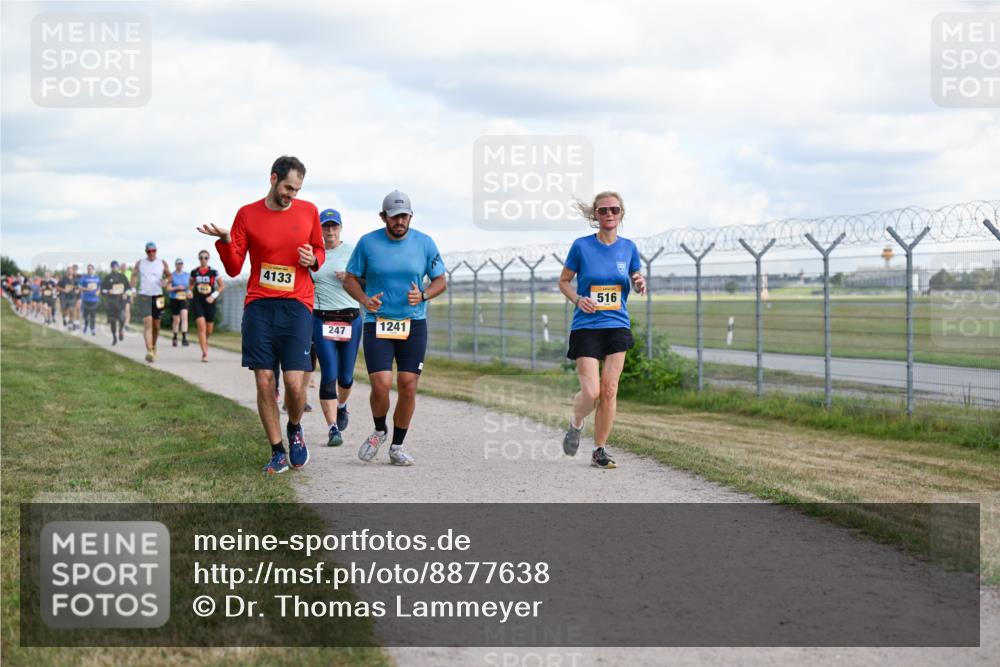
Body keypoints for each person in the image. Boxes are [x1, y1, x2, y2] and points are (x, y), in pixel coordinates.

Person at [197, 155, 324, 475]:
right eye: (287, 187)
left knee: (295, 385)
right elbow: (234, 267)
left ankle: (295, 428)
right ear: (272, 178)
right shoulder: (247, 214)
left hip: (297, 305)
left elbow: (319, 250)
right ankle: (277, 450)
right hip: (259, 307)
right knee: (265, 380)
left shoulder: (309, 211)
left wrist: (313, 258)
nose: (291, 195)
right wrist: (226, 241)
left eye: (296, 189)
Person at [343, 190, 447, 466]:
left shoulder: (425, 243)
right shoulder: (367, 243)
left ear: (411, 216)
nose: (399, 221)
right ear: (383, 217)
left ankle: (397, 446)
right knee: (381, 383)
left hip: (413, 324)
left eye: (404, 216)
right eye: (394, 217)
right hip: (378, 322)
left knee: (408, 385)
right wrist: (365, 299)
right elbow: (350, 279)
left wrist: (424, 295)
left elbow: (440, 280)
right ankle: (379, 429)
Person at [558, 191, 646, 470]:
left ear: (622, 214)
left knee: (609, 390)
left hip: (617, 324)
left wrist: (639, 282)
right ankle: (576, 423)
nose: (609, 215)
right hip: (586, 326)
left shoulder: (629, 247)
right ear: (595, 215)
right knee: (592, 391)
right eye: (603, 210)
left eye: (614, 210)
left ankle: (599, 450)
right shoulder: (581, 246)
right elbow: (564, 281)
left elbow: (633, 275)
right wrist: (578, 299)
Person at [310, 208, 363, 446]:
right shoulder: (313, 253)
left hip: (350, 319)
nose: (330, 230)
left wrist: (352, 279)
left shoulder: (353, 252)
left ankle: (342, 406)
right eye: (325, 226)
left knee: (346, 376)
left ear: (340, 228)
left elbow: (369, 281)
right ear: (319, 229)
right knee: (328, 373)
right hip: (322, 319)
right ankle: (332, 428)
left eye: (334, 226)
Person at [133, 242, 170, 362]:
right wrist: (133, 289)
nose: (151, 253)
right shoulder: (140, 263)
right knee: (147, 322)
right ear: (146, 252)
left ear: (156, 251)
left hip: (158, 296)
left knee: (157, 325)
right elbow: (133, 276)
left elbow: (170, 276)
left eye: (153, 251)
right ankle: (149, 350)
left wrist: (166, 281)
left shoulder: (162, 263)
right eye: (149, 251)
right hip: (144, 295)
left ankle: (153, 346)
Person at [189, 249, 224, 362]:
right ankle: (205, 353)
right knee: (201, 326)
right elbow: (190, 285)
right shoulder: (194, 272)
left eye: (205, 257)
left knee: (209, 329)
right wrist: (189, 292)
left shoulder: (214, 272)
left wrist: (213, 296)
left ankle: (204, 340)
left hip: (209, 301)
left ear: (208, 259)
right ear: (199, 259)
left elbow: (222, 286)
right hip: (197, 300)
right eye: (201, 258)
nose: (203, 260)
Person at [101, 261, 131, 345]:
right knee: (113, 321)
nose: (115, 268)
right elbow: (102, 290)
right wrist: (108, 291)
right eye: (113, 266)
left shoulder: (123, 277)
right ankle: (114, 337)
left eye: (116, 266)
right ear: (111, 268)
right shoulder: (107, 277)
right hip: (111, 302)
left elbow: (129, 289)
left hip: (121, 302)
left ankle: (121, 330)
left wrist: (125, 293)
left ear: (118, 267)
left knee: (122, 318)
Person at [168, 258, 191, 347]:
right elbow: (168, 288)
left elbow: (190, 287)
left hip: (184, 298)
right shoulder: (172, 275)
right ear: (175, 265)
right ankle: (174, 337)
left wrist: (189, 292)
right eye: (178, 264)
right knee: (176, 320)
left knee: (184, 316)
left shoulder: (187, 275)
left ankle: (184, 338)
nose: (180, 265)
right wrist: (177, 288)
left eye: (181, 264)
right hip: (174, 298)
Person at [78, 264, 102, 336]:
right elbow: (79, 286)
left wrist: (98, 291)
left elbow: (100, 286)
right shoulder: (84, 278)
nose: (89, 270)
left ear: (93, 270)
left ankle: (92, 329)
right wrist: (86, 289)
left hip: (94, 299)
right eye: (88, 269)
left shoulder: (97, 278)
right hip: (86, 299)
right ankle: (86, 325)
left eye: (90, 269)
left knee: (92, 315)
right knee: (85, 315)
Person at [58, 265, 80, 329]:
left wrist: (77, 290)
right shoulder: (63, 279)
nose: (70, 272)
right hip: (64, 297)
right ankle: (64, 318)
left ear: (73, 271)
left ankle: (70, 323)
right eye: (69, 270)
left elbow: (77, 287)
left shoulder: (75, 280)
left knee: (72, 310)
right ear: (67, 271)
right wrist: (63, 290)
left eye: (71, 270)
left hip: (72, 297)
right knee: (64, 310)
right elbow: (57, 287)